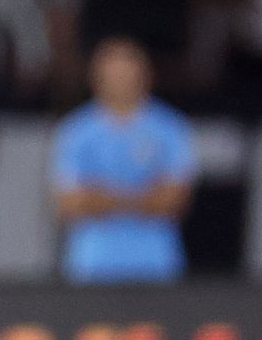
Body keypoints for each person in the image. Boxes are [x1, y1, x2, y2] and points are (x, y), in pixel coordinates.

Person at [53, 37, 195, 284]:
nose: (122, 79)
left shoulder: (171, 129)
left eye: (128, 71)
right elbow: (70, 203)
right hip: (91, 265)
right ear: (96, 78)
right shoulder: (75, 132)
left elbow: (174, 201)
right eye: (114, 73)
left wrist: (102, 197)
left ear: (146, 76)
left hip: (157, 264)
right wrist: (144, 197)